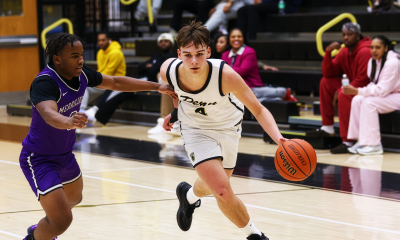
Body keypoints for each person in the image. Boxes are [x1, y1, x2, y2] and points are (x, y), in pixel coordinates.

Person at [20, 33, 176, 240]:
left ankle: (42, 229)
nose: (81, 60)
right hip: (39, 158)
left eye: (82, 55)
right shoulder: (45, 82)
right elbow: (48, 114)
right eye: (74, 56)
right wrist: (68, 121)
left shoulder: (82, 74)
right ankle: (37, 236)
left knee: (74, 198)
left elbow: (115, 82)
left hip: (65, 155)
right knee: (61, 221)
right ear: (57, 59)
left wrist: (157, 87)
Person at [160, 21, 287, 240]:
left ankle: (188, 196)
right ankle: (255, 235)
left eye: (199, 54)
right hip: (195, 130)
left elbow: (258, 109)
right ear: (179, 54)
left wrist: (279, 138)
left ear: (208, 51)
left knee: (215, 184)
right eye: (188, 55)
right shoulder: (168, 71)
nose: (194, 61)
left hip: (229, 128)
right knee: (222, 190)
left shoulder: (225, 75)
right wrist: (176, 113)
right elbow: (180, 94)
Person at [306, 23, 371, 154]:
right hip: (356, 86)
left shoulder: (365, 51)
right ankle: (328, 127)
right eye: (344, 35)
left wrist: (340, 90)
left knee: (344, 94)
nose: (346, 38)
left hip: (369, 89)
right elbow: (328, 73)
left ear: (358, 36)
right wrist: (328, 52)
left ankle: (347, 141)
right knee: (326, 82)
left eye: (350, 34)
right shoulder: (345, 51)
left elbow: (363, 80)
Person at [85, 33, 176, 126]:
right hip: (144, 78)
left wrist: (149, 67)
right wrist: (148, 66)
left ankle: (97, 115)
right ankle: (95, 111)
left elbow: (153, 71)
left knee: (119, 88)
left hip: (152, 82)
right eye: (161, 41)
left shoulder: (170, 56)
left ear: (171, 43)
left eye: (166, 41)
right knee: (116, 88)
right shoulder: (157, 56)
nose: (163, 43)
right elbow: (140, 67)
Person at [345, 35, 400, 155]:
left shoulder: (393, 62)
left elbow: (383, 90)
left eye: (377, 47)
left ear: (386, 48)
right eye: (372, 47)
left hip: (397, 96)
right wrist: (359, 92)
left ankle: (374, 145)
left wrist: (358, 90)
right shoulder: (372, 61)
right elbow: (373, 84)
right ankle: (361, 140)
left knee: (369, 102)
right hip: (389, 94)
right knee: (357, 99)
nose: (374, 50)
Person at [221, 28, 294, 102]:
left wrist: (224, 70)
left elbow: (242, 71)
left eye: (239, 36)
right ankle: (274, 100)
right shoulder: (225, 54)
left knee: (278, 92)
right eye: (233, 37)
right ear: (229, 39)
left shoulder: (249, 52)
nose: (236, 39)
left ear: (243, 38)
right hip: (233, 89)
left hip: (251, 87)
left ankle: (285, 93)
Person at [80, 31, 126, 110]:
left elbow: (108, 73)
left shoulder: (116, 53)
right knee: (78, 86)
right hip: (104, 80)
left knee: (83, 86)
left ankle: (81, 110)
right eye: (99, 40)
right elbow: (101, 70)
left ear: (109, 40)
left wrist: (92, 78)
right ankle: (78, 110)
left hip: (114, 82)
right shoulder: (100, 52)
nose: (100, 42)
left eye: (103, 40)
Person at [237, 0, 303, 40]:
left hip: (285, 4)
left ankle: (251, 40)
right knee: (241, 10)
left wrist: (263, 1)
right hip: (270, 2)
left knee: (252, 9)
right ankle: (241, 39)